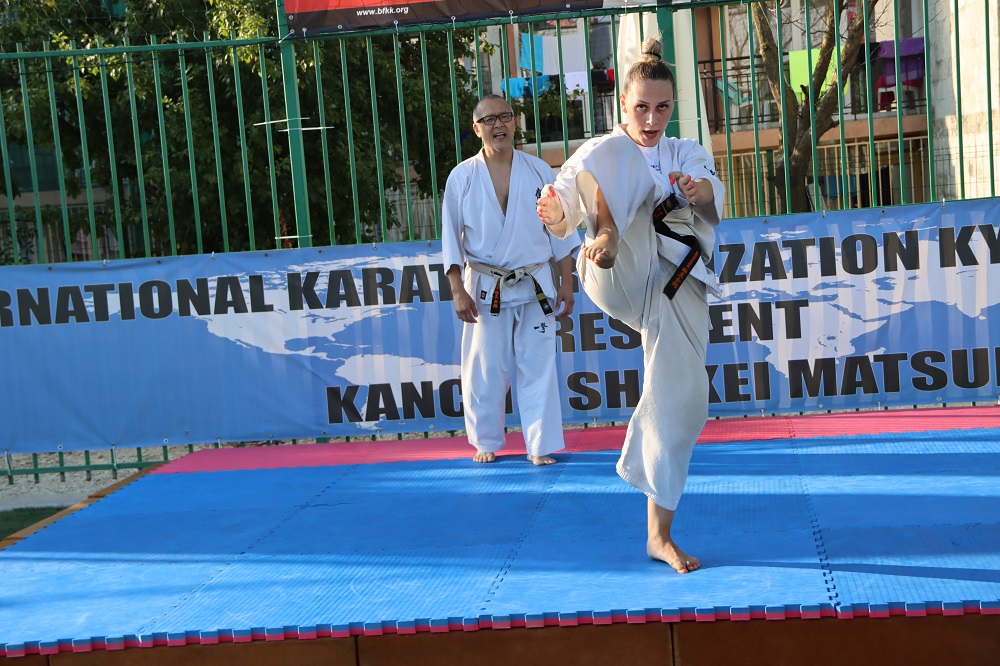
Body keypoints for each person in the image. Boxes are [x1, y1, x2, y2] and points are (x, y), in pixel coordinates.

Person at [536, 37, 724, 573]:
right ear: (623, 101)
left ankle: (658, 535)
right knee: (615, 157)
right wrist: (555, 211)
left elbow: (711, 195)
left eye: (662, 108)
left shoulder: (684, 150)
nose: (651, 119)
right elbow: (560, 204)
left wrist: (697, 190)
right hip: (613, 268)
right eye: (641, 107)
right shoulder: (601, 151)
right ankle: (611, 230)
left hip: (677, 279)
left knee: (685, 398)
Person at [442, 94, 580, 466]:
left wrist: (567, 283)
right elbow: (450, 239)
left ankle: (539, 445)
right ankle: (485, 440)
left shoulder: (539, 171)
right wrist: (457, 290)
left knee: (539, 367)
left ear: (515, 122)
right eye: (488, 120)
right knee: (486, 369)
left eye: (504, 116)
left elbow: (560, 230)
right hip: (486, 288)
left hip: (536, 284)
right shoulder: (462, 177)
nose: (498, 124)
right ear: (477, 129)